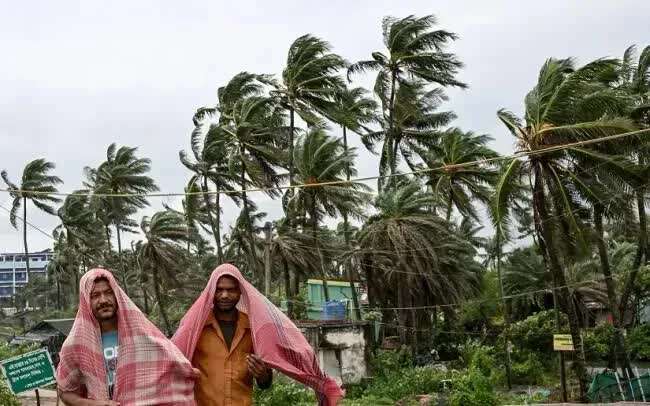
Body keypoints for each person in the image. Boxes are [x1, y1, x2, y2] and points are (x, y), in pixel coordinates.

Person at [173, 263, 344, 406]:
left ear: (240, 292)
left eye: (231, 290)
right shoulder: (195, 329)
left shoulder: (255, 329)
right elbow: (172, 361)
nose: (224, 295)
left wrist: (263, 375)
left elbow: (265, 382)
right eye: (219, 290)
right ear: (211, 292)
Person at [57, 268, 197, 405]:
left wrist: (187, 371)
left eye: (108, 293)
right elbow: (65, 392)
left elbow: (169, 365)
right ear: (86, 301)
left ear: (117, 295)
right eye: (95, 295)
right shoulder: (77, 345)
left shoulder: (142, 335)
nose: (103, 300)